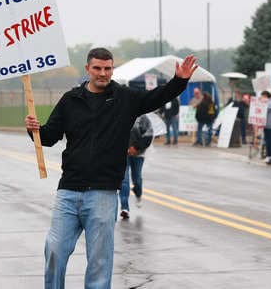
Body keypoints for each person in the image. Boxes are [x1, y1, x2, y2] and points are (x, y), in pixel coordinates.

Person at [24, 48, 197, 289]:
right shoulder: (70, 100)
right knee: (54, 250)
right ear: (88, 69)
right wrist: (34, 129)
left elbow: (157, 97)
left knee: (99, 261)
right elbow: (49, 137)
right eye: (97, 68)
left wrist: (180, 80)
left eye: (107, 68)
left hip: (103, 194)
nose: (103, 73)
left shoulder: (124, 99)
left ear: (112, 69)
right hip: (69, 191)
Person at [119, 114, 153, 219]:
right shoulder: (122, 115)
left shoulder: (144, 119)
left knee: (137, 179)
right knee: (124, 180)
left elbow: (148, 137)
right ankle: (124, 208)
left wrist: (136, 148)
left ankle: (138, 194)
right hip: (124, 154)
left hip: (139, 154)